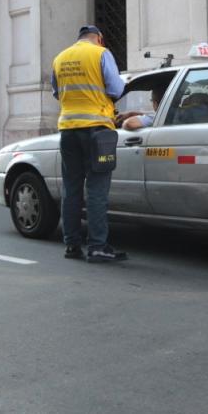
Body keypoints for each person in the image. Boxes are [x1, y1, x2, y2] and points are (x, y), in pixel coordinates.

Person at [51, 24, 128, 263]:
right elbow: (116, 88)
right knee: (96, 189)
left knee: (71, 189)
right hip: (97, 130)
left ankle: (72, 246)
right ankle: (97, 246)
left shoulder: (60, 58)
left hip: (68, 130)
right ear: (99, 38)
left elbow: (57, 92)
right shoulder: (100, 53)